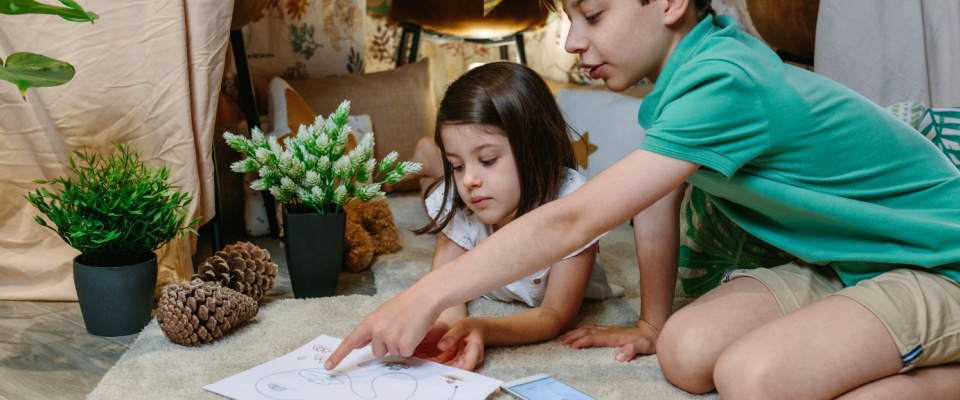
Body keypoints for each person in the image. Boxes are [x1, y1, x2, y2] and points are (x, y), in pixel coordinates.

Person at [328, 0, 960, 398]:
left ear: (668, 3)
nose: (573, 42)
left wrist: (424, 294)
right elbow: (658, 198)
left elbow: (575, 217)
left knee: (755, 379)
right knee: (684, 354)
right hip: (840, 264)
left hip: (936, 262)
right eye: (569, 20)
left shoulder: (729, 80)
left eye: (592, 16)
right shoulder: (679, 89)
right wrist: (653, 323)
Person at [404, 61, 622, 371]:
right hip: (457, 194)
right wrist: (448, 333)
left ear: (535, 149)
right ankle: (432, 163)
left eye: (487, 160)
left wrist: (484, 328)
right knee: (433, 195)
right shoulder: (462, 196)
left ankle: (431, 164)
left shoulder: (572, 206)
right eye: (458, 164)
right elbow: (445, 292)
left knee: (436, 188)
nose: (469, 180)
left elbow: (554, 316)